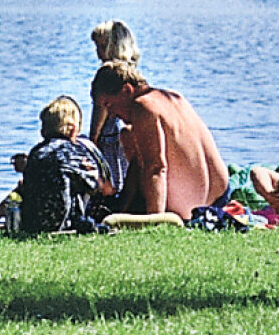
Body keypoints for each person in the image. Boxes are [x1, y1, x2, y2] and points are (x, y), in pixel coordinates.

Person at [91, 60, 228, 220]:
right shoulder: (173, 98)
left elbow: (155, 167)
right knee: (127, 135)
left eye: (109, 105)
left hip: (190, 207)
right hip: (221, 196)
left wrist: (155, 219)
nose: (111, 114)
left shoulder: (142, 107)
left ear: (127, 90)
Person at [20, 96, 116, 232]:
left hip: (31, 222)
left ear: (43, 131)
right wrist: (95, 175)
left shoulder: (36, 152)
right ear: (73, 130)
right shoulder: (73, 152)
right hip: (61, 223)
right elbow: (94, 186)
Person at [88, 20, 138, 205]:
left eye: (102, 46)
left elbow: (100, 108)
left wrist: (93, 138)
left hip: (109, 132)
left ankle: (110, 202)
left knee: (110, 170)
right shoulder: (130, 72)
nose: (98, 52)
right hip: (125, 128)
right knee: (124, 169)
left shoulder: (106, 74)